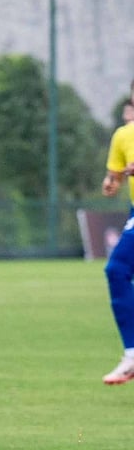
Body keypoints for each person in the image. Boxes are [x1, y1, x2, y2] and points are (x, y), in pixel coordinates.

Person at [100, 100, 134, 385]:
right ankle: (132, 353)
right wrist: (112, 182)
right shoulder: (124, 135)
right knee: (117, 270)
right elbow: (115, 176)